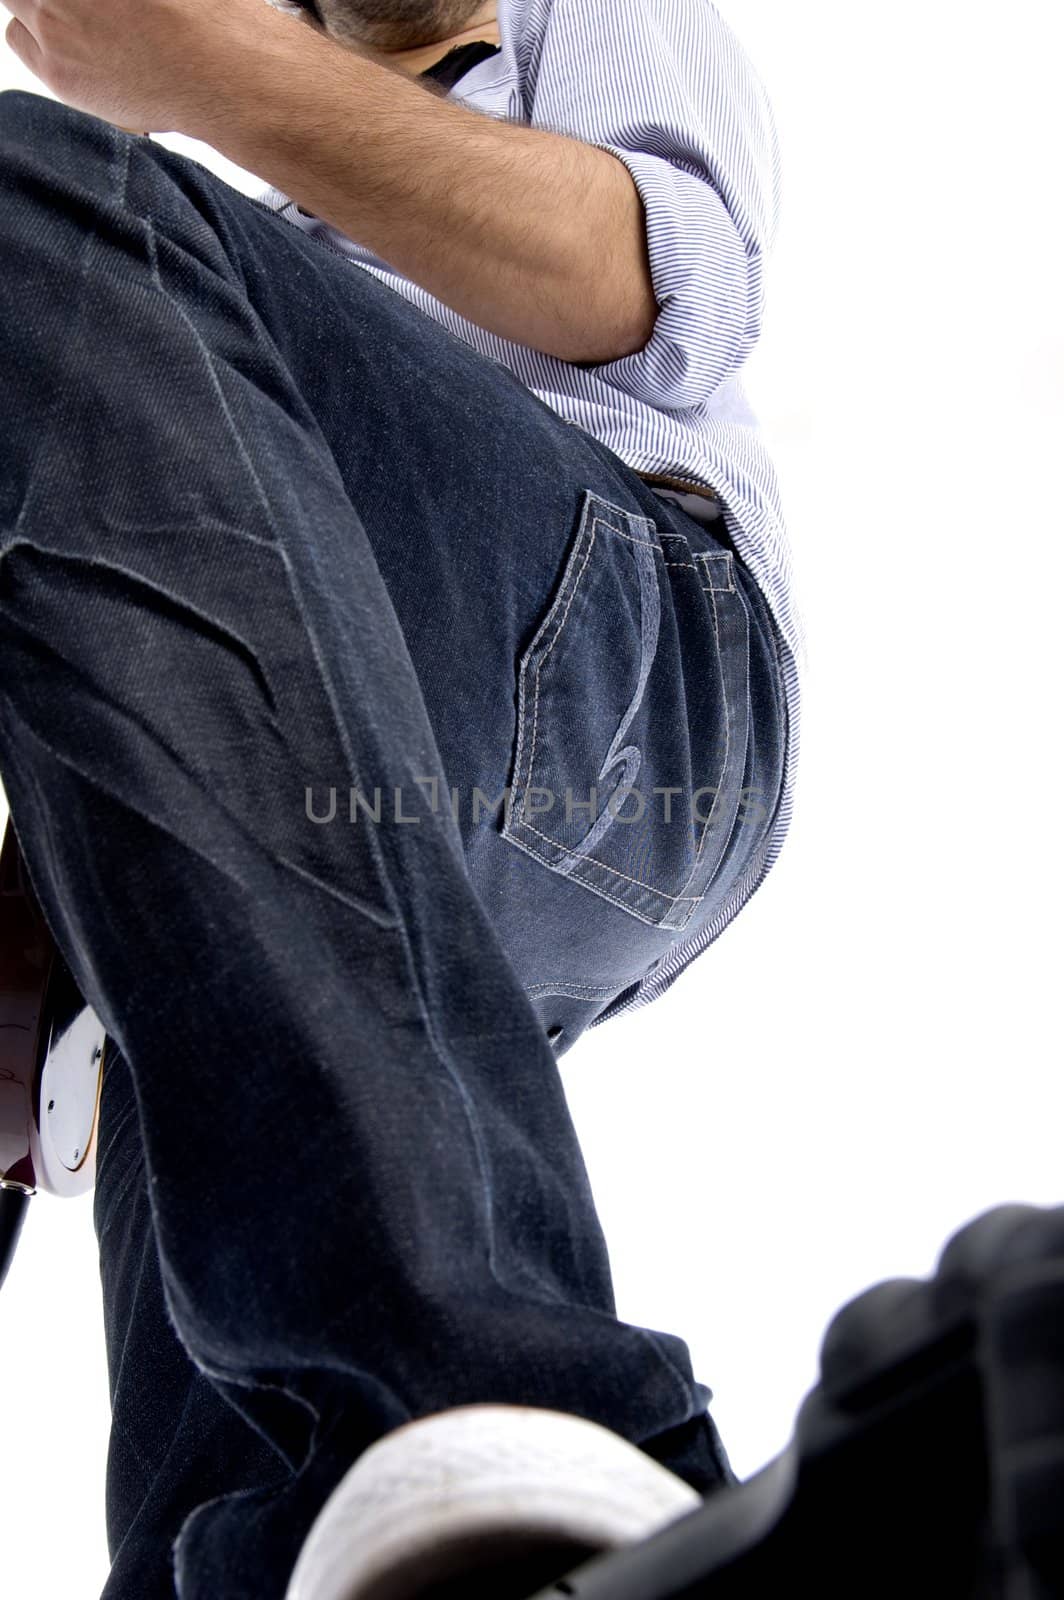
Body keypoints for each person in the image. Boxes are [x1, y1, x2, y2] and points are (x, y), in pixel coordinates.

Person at [0, 0, 803, 1593]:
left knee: (37, 209)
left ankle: (496, 1401)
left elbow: (657, 293)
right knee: (288, 1515)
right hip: (301, 810)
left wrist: (207, 70)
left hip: (631, 678)